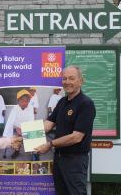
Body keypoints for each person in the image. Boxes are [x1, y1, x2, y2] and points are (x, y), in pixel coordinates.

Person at [34, 66, 96, 195]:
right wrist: (24, 135)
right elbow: (48, 125)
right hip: (59, 159)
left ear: (81, 81)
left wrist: (50, 144)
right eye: (64, 78)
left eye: (71, 78)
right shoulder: (62, 102)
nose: (67, 82)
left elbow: (76, 137)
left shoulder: (86, 104)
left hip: (75, 161)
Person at [3, 89, 34, 159]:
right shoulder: (15, 108)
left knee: (34, 141)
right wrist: (5, 135)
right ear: (18, 101)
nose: (25, 102)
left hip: (28, 129)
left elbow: (31, 121)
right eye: (22, 100)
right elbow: (10, 122)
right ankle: (17, 151)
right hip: (17, 129)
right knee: (15, 142)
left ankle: (34, 154)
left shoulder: (30, 108)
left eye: (27, 100)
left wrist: (27, 131)